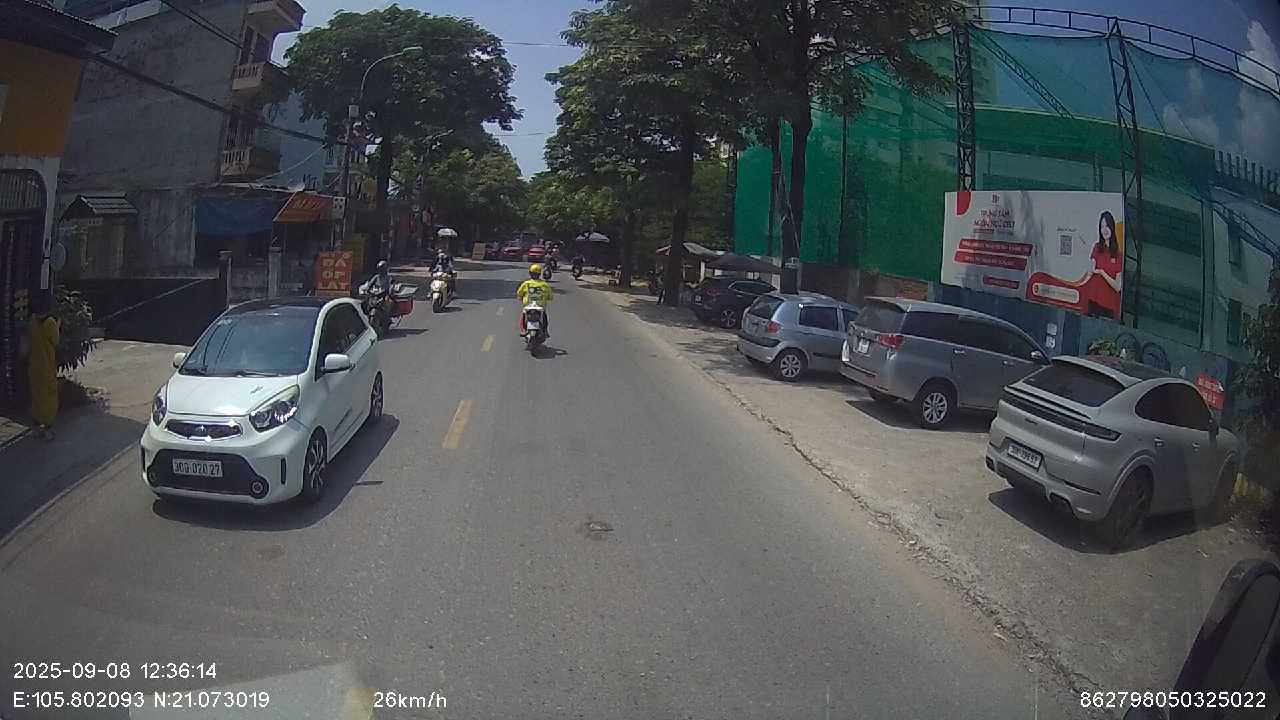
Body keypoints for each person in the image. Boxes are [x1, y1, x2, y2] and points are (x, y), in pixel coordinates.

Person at [27, 292, 60, 440]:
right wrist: (58, 326)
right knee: (49, 397)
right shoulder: (50, 322)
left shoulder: (32, 321)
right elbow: (55, 341)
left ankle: (35, 427)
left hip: (34, 365)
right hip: (47, 365)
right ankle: (47, 428)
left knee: (36, 396)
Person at [1084, 211, 1122, 318]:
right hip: (1093, 301)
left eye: (1107, 226)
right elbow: (1090, 269)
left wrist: (1102, 273)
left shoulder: (1118, 255)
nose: (1104, 230)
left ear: (1112, 227)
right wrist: (1090, 269)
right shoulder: (1097, 248)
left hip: (1108, 306)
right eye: (1102, 227)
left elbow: (1118, 287)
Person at [516, 263, 554, 336]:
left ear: (530, 273)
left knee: (524, 315)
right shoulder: (544, 284)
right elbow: (550, 296)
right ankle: (545, 330)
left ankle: (523, 330)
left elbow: (519, 293)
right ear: (539, 274)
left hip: (528, 305)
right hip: (540, 305)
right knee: (544, 316)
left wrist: (520, 298)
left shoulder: (526, 283)